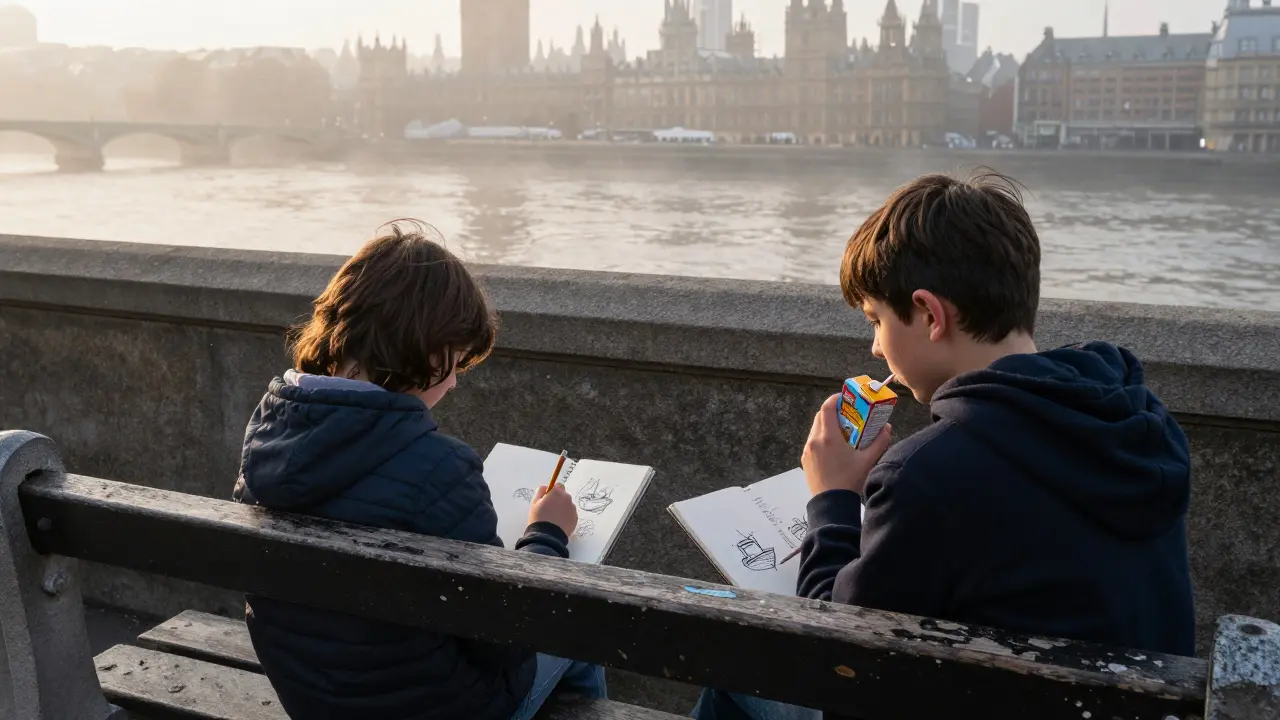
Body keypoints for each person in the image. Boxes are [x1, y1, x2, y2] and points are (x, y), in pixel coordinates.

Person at [692, 171, 1195, 720]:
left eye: (877, 320)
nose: (875, 346)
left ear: (931, 315)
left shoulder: (931, 473)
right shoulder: (1137, 421)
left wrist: (833, 500)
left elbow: (832, 656)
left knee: (736, 669)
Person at [232, 220, 606, 720]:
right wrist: (546, 535)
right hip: (437, 711)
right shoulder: (439, 468)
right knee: (573, 628)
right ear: (422, 346)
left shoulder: (269, 433)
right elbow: (508, 636)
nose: (452, 383)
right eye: (451, 362)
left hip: (314, 698)